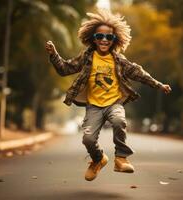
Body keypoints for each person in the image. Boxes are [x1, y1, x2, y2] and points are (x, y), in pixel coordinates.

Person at [45, 9, 172, 181]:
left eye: (109, 37)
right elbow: (65, 69)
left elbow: (139, 73)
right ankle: (98, 159)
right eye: (100, 36)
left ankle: (121, 158)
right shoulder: (87, 57)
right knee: (88, 139)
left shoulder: (119, 60)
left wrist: (158, 85)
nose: (104, 40)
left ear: (115, 40)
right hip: (93, 106)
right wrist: (53, 55)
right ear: (93, 38)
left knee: (119, 121)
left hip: (114, 103)